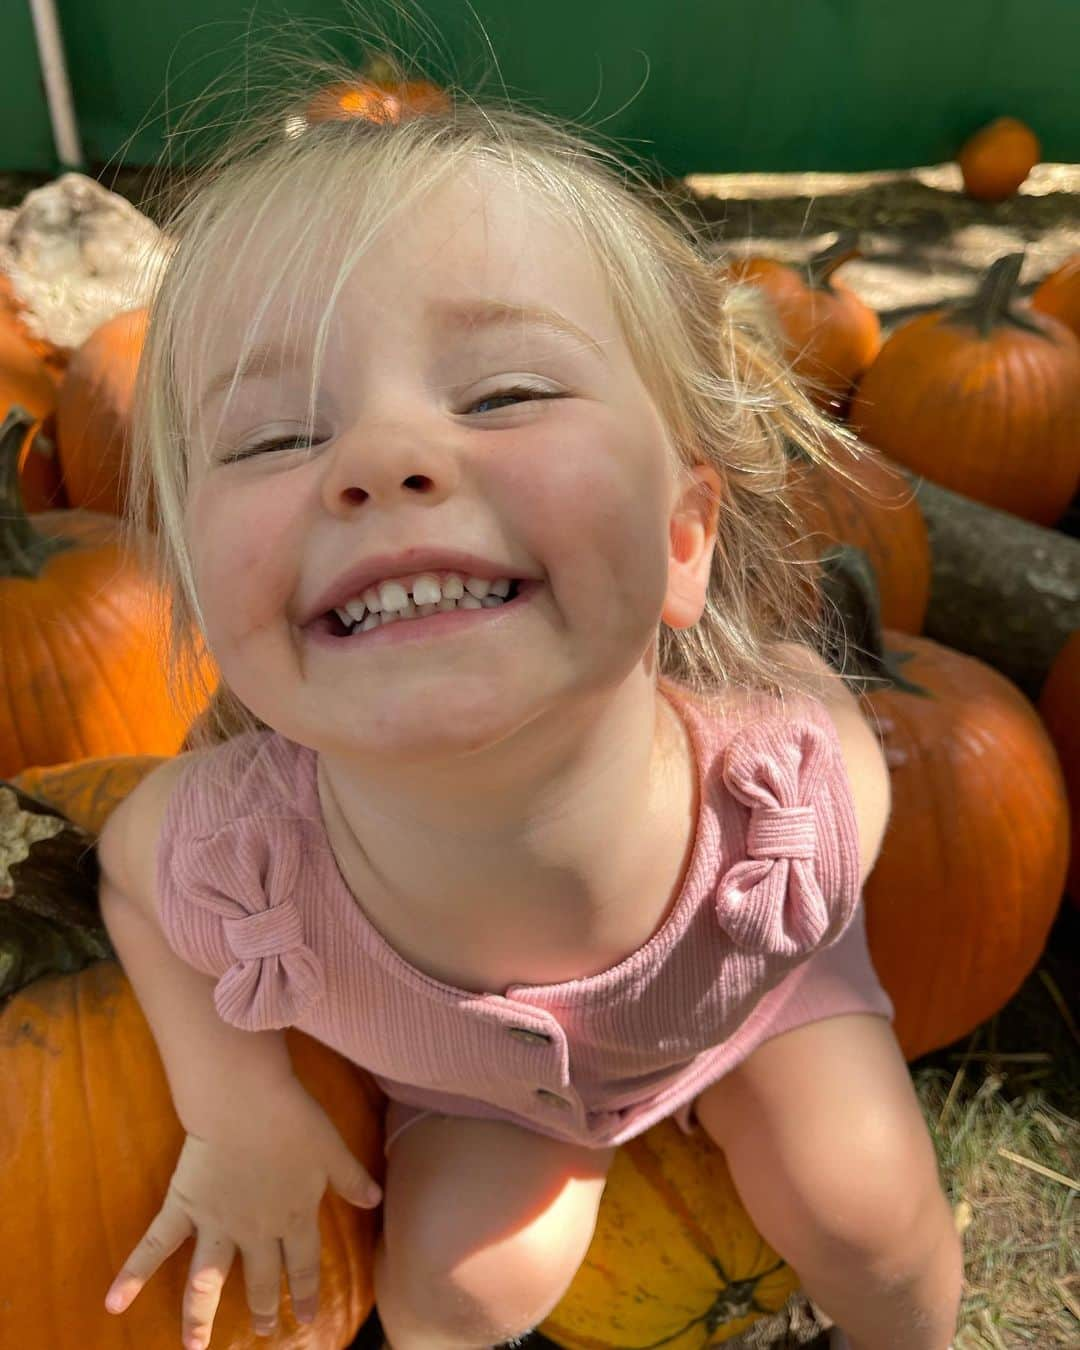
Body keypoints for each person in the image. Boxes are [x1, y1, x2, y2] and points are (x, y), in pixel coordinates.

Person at [96, 72, 962, 1350]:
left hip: (749, 1000)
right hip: (474, 1091)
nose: (384, 459)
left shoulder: (789, 781)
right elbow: (130, 890)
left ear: (682, 538)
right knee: (453, 1293)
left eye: (503, 394)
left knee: (870, 1214)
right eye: (274, 436)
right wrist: (237, 1108)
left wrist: (807, 941)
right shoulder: (238, 848)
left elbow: (847, 792)